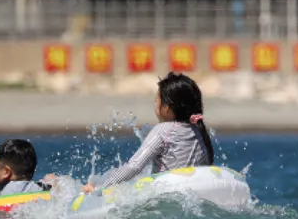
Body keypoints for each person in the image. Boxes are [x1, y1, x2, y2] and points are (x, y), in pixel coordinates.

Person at [82, 72, 215, 191]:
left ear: (166, 108)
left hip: (167, 194)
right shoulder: (198, 130)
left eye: (156, 100)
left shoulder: (163, 130)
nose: (155, 104)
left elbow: (134, 166)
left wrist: (100, 188)